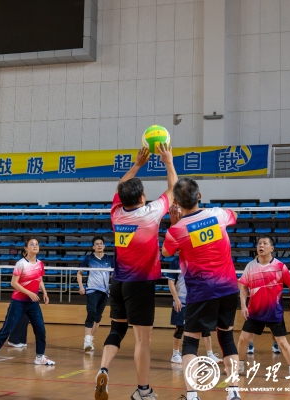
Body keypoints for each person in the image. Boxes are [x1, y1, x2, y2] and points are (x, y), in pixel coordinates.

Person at [95, 144, 177, 400]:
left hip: (117, 282)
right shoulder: (150, 214)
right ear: (142, 197)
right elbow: (173, 189)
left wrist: (137, 164)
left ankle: (103, 369)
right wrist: (168, 161)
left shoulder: (116, 214)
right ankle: (143, 391)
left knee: (116, 330)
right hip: (140, 284)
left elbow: (121, 185)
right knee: (143, 341)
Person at [161, 177, 241, 400]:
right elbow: (235, 215)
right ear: (199, 195)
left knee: (190, 341)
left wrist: (173, 224)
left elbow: (166, 252)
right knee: (227, 339)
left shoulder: (176, 230)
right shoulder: (217, 214)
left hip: (201, 292)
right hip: (228, 288)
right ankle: (234, 392)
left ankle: (192, 395)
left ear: (176, 202)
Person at [237, 236, 290, 381]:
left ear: (272, 248)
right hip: (255, 311)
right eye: (259, 243)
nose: (261, 245)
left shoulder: (280, 266)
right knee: (243, 338)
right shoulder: (250, 266)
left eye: (265, 243)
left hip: (274, 311)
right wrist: (243, 305)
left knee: (282, 342)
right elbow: (243, 287)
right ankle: (239, 365)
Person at [0, 237, 55, 366]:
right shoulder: (21, 263)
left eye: (37, 244)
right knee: (7, 329)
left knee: (40, 330)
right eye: (32, 244)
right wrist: (29, 293)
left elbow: (39, 279)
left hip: (33, 303)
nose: (35, 246)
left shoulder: (40, 263)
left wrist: (44, 293)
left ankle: (40, 356)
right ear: (26, 248)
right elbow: (14, 283)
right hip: (18, 302)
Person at [165, 257, 221, 365]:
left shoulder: (198, 259)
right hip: (181, 301)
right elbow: (170, 282)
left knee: (205, 328)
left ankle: (210, 354)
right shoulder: (176, 262)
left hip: (197, 300)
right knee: (180, 328)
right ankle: (175, 354)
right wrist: (176, 299)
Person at [77, 236, 113, 352]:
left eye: (101, 243)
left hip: (104, 291)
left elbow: (114, 275)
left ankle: (90, 340)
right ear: (93, 247)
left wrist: (112, 287)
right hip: (92, 290)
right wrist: (81, 287)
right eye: (97, 244)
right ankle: (87, 341)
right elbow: (79, 273)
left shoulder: (109, 259)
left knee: (97, 318)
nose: (99, 245)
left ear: (104, 246)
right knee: (91, 313)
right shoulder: (89, 259)